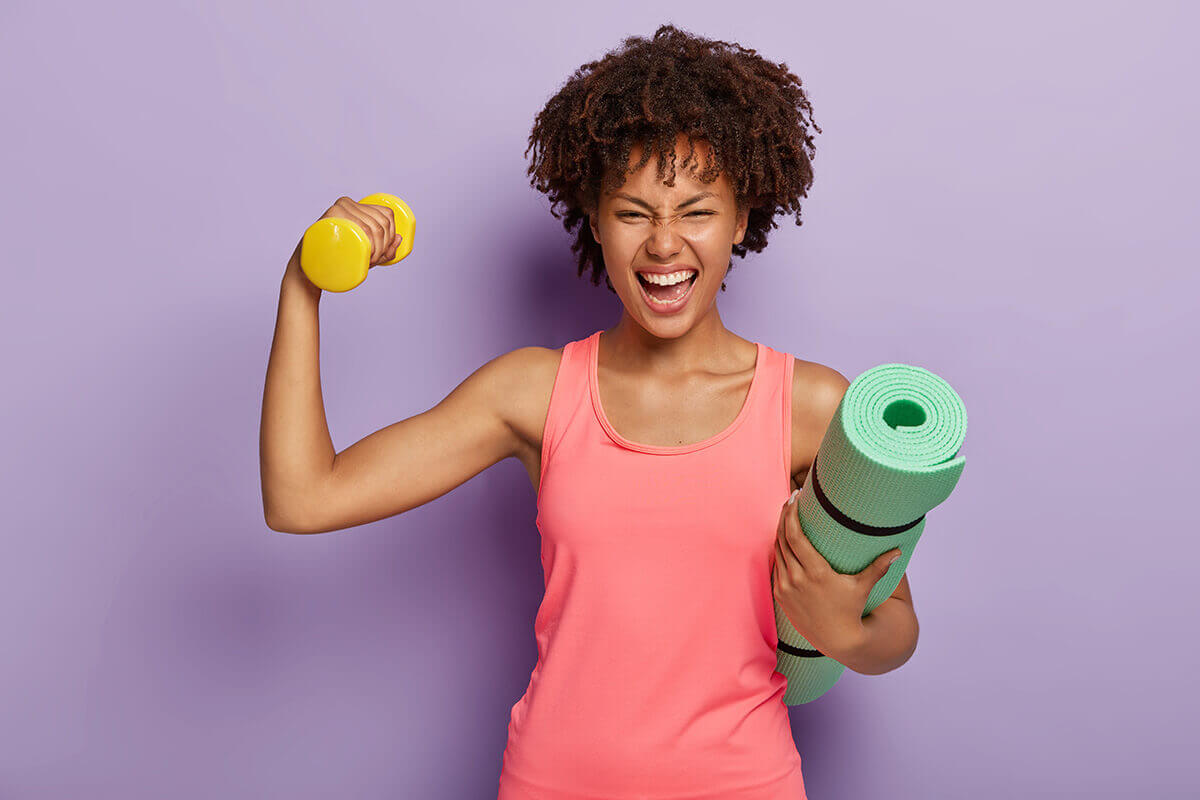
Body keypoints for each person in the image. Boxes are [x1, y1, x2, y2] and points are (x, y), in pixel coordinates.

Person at [260, 23, 913, 800]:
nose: (664, 244)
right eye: (633, 212)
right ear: (595, 222)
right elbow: (303, 498)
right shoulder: (533, 393)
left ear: (742, 220)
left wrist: (844, 630)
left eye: (696, 211)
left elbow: (895, 630)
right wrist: (301, 286)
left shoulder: (811, 406)